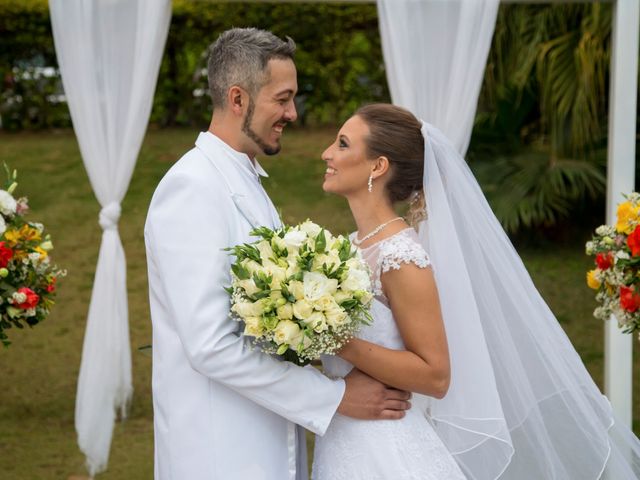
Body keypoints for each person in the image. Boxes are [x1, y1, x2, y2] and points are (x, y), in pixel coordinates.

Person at [313, 103, 640, 479]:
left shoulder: (400, 256)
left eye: (342, 144)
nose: (326, 153)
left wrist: (337, 339)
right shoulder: (350, 246)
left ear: (377, 166)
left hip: (386, 451)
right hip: (344, 438)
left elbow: (435, 376)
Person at [144, 30, 410, 480]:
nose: (292, 113)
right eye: (283, 99)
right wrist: (334, 396)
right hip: (220, 450)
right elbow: (209, 345)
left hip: (263, 435)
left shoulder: (245, 177)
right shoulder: (192, 187)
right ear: (237, 99)